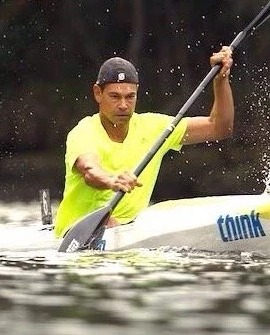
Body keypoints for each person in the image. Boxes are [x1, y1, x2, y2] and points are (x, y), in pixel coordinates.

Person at [54, 46, 234, 238]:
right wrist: (111, 180)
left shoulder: (154, 127)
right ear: (98, 93)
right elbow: (90, 171)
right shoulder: (84, 131)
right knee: (109, 221)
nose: (123, 105)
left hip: (130, 232)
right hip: (76, 235)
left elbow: (219, 127)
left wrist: (220, 80)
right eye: (114, 96)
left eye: (130, 97)